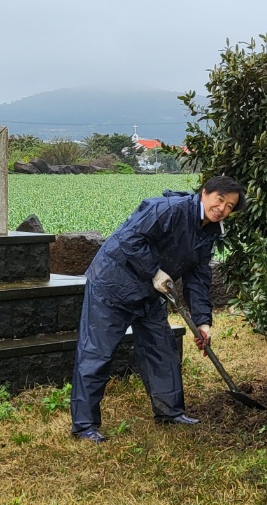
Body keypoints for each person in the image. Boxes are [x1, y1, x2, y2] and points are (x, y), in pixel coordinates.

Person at [69, 175, 243, 443]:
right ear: (205, 193)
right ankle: (84, 426)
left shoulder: (209, 232)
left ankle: (170, 412)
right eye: (220, 200)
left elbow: (198, 278)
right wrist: (155, 272)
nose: (222, 209)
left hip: (150, 292)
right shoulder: (169, 209)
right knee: (97, 353)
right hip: (112, 284)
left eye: (229, 206)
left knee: (160, 349)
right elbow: (130, 239)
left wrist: (203, 322)